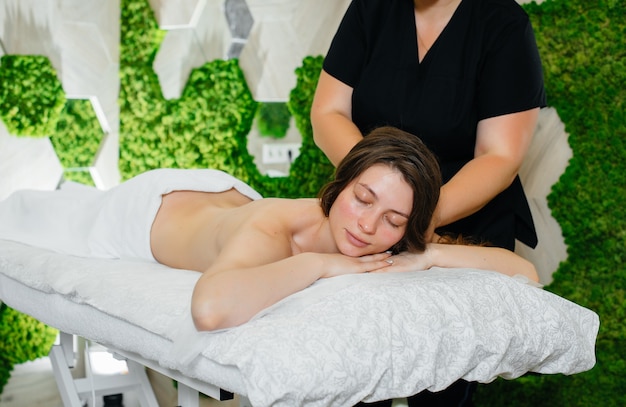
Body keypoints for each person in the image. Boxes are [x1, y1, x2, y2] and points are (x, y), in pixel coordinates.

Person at [0, 127, 537, 334]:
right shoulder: (277, 231)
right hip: (149, 212)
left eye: (394, 220)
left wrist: (425, 256)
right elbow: (210, 309)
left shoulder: (392, 237)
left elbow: (525, 273)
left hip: (225, 195)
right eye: (362, 199)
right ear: (340, 184)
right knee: (27, 215)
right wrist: (320, 265)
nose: (368, 226)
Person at [311, 1, 546, 404]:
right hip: (374, 222)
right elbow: (328, 112)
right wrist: (377, 197)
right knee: (354, 369)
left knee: (440, 388)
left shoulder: (503, 24)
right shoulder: (372, 8)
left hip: (461, 223)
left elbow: (500, 157)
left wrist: (416, 218)